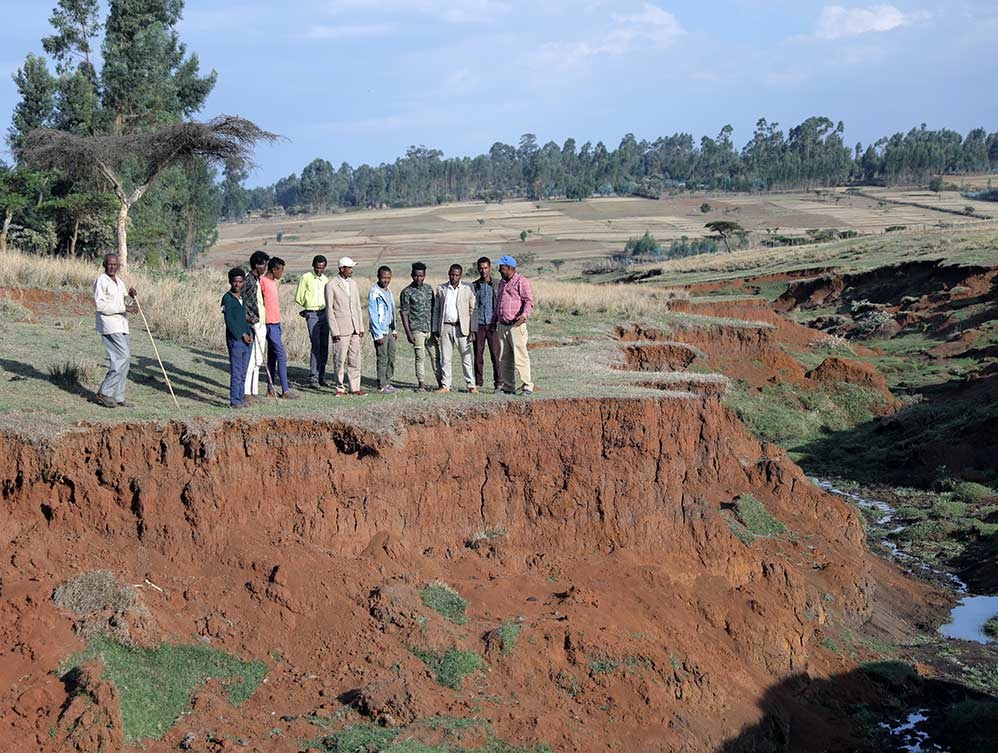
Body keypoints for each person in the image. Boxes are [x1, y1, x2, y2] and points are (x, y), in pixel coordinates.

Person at [92, 253, 137, 408]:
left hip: (122, 325)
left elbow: (124, 301)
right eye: (110, 264)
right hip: (109, 326)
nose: (112, 267)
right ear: (104, 264)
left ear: (118, 266)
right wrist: (126, 307)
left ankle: (118, 396)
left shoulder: (119, 282)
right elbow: (101, 305)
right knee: (121, 357)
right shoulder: (101, 281)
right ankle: (105, 392)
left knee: (126, 359)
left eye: (115, 264)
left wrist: (131, 297)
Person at [491, 255, 534, 395]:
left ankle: (527, 386)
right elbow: (499, 303)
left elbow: (528, 301)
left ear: (510, 268)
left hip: (516, 325)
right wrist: (494, 319)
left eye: (502, 268)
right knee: (505, 358)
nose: (499, 270)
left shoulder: (522, 281)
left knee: (520, 356)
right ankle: (508, 387)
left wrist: (524, 316)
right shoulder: (503, 283)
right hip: (503, 325)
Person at [259, 256, 300, 400]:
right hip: (269, 324)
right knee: (281, 356)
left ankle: (270, 389)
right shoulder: (263, 282)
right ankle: (285, 390)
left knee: (273, 357)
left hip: (276, 323)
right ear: (274, 269)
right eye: (281, 270)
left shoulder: (273, 282)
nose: (282, 273)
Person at [432, 263, 477, 393]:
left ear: (460, 275)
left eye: (456, 275)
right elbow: (436, 310)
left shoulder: (468, 288)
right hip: (445, 327)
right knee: (446, 358)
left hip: (462, 328)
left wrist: (472, 329)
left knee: (466, 358)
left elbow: (473, 309)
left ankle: (471, 385)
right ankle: (446, 385)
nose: (454, 277)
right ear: (448, 274)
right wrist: (436, 329)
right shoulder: (441, 288)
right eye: (452, 274)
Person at [325, 256, 366, 396]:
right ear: (342, 269)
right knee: (339, 359)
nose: (351, 270)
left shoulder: (353, 284)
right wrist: (334, 330)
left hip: (354, 327)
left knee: (355, 359)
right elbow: (329, 309)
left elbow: (357, 306)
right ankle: (340, 387)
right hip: (340, 329)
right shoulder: (331, 285)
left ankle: (354, 387)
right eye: (349, 268)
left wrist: (360, 327)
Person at [399, 261, 437, 392]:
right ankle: (421, 384)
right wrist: (408, 333)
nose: (418, 278)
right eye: (416, 276)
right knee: (420, 357)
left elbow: (434, 309)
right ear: (412, 275)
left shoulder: (428, 289)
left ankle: (441, 383)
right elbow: (404, 313)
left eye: (421, 276)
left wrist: (436, 329)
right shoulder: (407, 292)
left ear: (425, 275)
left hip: (430, 329)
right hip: (416, 330)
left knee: (435, 356)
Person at [295, 254, 330, 389]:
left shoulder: (325, 280)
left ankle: (321, 376)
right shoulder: (306, 278)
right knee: (316, 345)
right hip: (312, 314)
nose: (319, 270)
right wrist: (308, 308)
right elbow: (299, 297)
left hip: (324, 313)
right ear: (313, 266)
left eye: (322, 268)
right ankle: (313, 378)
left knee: (324, 346)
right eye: (317, 267)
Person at [222, 267, 254, 409]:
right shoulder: (227, 298)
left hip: (248, 338)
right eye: (235, 282)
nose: (237, 285)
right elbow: (230, 320)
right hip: (236, 340)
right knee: (236, 371)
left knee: (243, 371)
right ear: (230, 281)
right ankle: (235, 400)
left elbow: (240, 316)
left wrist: (250, 319)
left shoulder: (241, 298)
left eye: (240, 282)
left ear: (243, 282)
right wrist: (242, 335)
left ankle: (241, 398)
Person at [242, 250, 269, 403]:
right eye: (264, 265)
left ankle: (254, 391)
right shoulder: (248, 281)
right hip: (253, 324)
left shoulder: (258, 279)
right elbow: (242, 302)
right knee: (252, 359)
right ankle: (246, 392)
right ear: (257, 265)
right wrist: (249, 319)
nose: (265, 268)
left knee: (258, 359)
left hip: (261, 323)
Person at [471, 256, 501, 391]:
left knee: (495, 354)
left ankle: (499, 382)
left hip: (493, 324)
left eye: (485, 268)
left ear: (490, 268)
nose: (483, 271)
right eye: (481, 268)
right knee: (478, 354)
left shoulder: (497, 284)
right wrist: (472, 327)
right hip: (479, 325)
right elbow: (471, 307)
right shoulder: (474, 286)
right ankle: (478, 382)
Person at [368, 265, 398, 393]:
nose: (386, 280)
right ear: (378, 277)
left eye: (388, 278)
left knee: (391, 356)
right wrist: (377, 334)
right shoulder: (374, 292)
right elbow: (373, 314)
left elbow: (391, 311)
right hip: (380, 330)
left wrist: (394, 329)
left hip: (389, 328)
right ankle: (381, 384)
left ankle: (388, 381)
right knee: (382, 357)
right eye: (384, 278)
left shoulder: (388, 291)